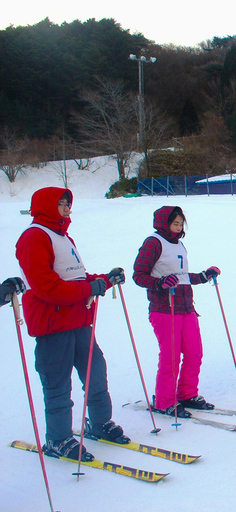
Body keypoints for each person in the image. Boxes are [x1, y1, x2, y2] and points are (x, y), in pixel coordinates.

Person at [15, 187, 129, 462]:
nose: (67, 209)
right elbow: (46, 287)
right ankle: (58, 438)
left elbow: (77, 277)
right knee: (57, 384)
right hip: (53, 325)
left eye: (68, 204)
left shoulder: (63, 237)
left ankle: (100, 423)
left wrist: (104, 280)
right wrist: (89, 290)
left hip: (79, 321)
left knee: (96, 374)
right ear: (46, 206)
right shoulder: (34, 237)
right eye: (61, 204)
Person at [133, 206, 221, 418]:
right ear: (164, 223)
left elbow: (181, 276)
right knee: (170, 356)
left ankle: (187, 394)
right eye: (175, 223)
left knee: (194, 352)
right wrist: (160, 283)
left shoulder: (179, 245)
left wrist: (202, 276)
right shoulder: (153, 243)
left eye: (181, 223)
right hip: (164, 308)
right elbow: (139, 275)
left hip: (186, 307)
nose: (179, 227)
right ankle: (164, 400)